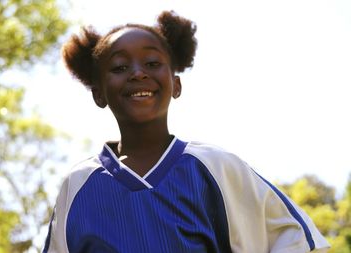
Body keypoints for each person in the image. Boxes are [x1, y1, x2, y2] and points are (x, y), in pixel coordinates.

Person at [43, 10, 330, 253]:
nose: (138, 73)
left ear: (176, 85)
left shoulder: (216, 166)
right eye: (119, 66)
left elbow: (293, 236)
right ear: (99, 94)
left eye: (152, 63)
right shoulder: (77, 185)